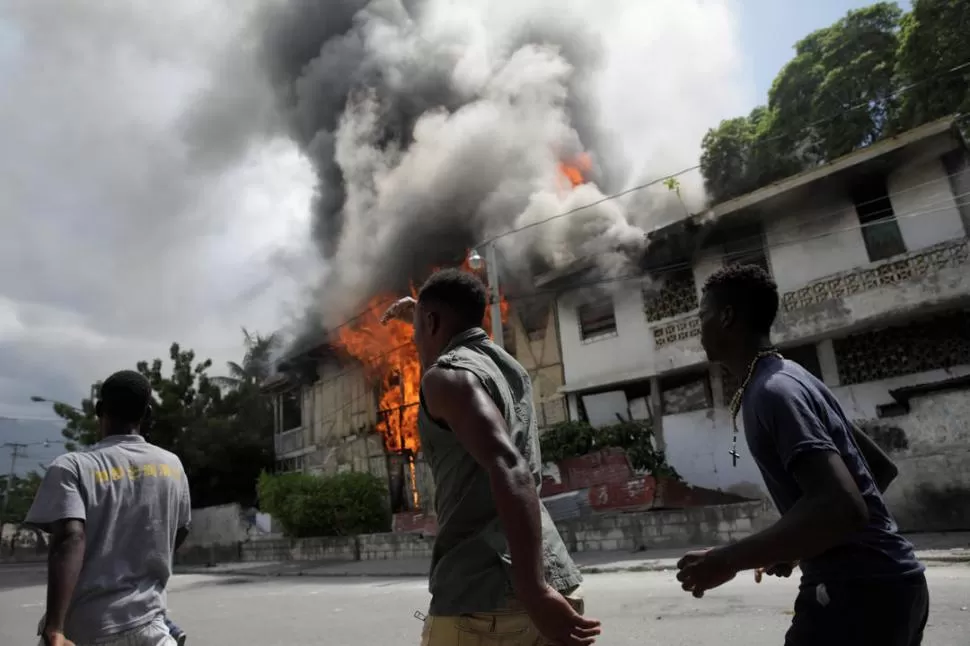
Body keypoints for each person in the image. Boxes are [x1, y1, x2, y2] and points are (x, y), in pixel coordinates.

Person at [676, 264, 928, 645]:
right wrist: (801, 543)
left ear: (726, 317)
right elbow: (877, 468)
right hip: (895, 585)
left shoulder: (772, 392)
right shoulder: (795, 376)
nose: (700, 328)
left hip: (855, 595)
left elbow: (842, 507)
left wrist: (726, 560)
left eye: (703, 316)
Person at [382, 269, 601, 646]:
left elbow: (510, 467)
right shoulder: (507, 366)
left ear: (432, 322)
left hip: (486, 599)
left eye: (418, 328)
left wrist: (533, 591)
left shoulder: (445, 378)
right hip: (552, 579)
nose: (415, 339)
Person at [26, 370, 192, 646]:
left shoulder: (72, 467)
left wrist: (54, 628)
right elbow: (181, 530)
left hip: (88, 631)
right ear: (147, 414)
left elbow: (70, 537)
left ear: (99, 409)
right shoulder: (172, 466)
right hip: (152, 630)